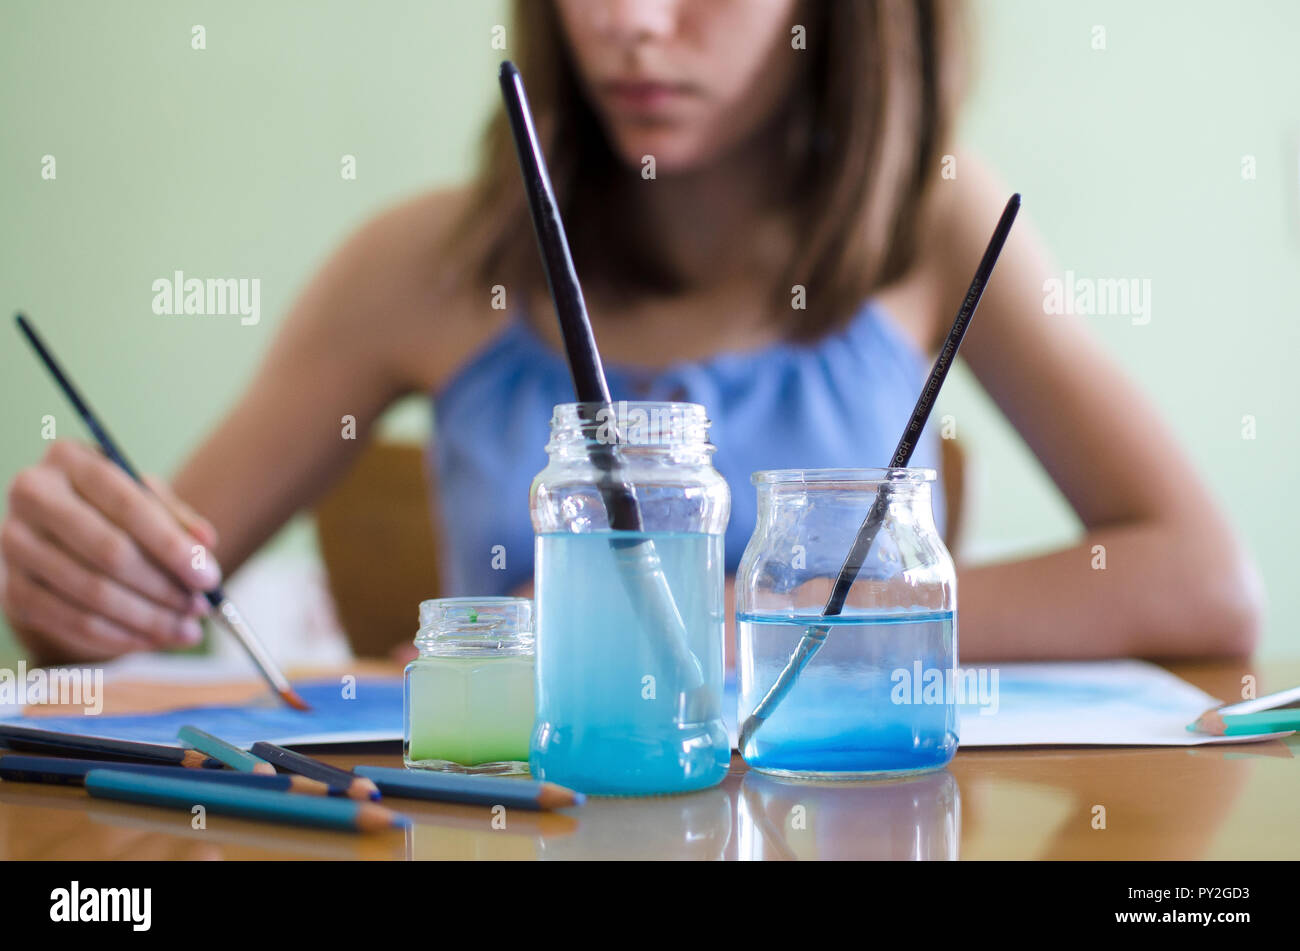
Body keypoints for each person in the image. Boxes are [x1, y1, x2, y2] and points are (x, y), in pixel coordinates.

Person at [0, 0, 1261, 666]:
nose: (630, 21)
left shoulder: (934, 223)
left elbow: (1203, 583)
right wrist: (83, 585)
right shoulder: (423, 265)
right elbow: (139, 607)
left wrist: (759, 613)